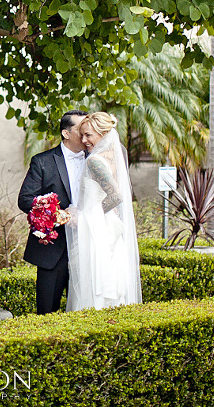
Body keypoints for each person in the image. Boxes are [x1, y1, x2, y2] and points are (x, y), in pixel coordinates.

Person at [65, 112, 142, 311]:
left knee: (93, 285)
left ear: (104, 133)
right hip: (108, 228)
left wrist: (83, 217)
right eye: (82, 135)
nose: (84, 140)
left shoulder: (95, 161)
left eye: (88, 135)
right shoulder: (113, 158)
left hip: (97, 232)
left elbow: (116, 197)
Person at [17, 109, 88, 314]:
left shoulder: (97, 160)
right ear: (66, 133)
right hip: (53, 250)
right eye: (81, 129)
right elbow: (25, 200)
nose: (86, 134)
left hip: (87, 246)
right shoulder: (43, 161)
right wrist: (59, 215)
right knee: (47, 313)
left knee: (86, 312)